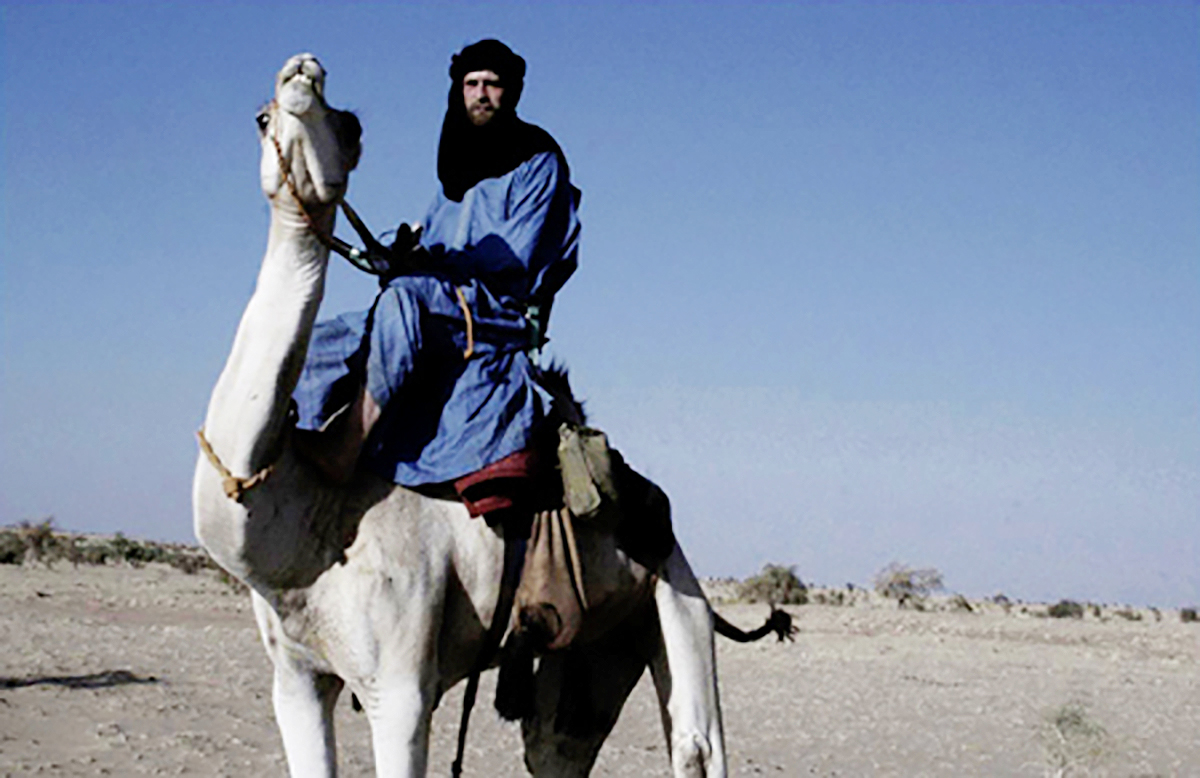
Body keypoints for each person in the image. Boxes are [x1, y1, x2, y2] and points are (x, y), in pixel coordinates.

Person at [293, 39, 580, 501]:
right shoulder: (456, 168)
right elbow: (430, 235)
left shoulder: (538, 162)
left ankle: (346, 449)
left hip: (492, 311)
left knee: (403, 300)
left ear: (512, 93)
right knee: (313, 341)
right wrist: (396, 249)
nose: (481, 94)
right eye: (471, 84)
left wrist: (427, 265)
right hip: (437, 296)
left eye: (492, 84)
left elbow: (515, 259)